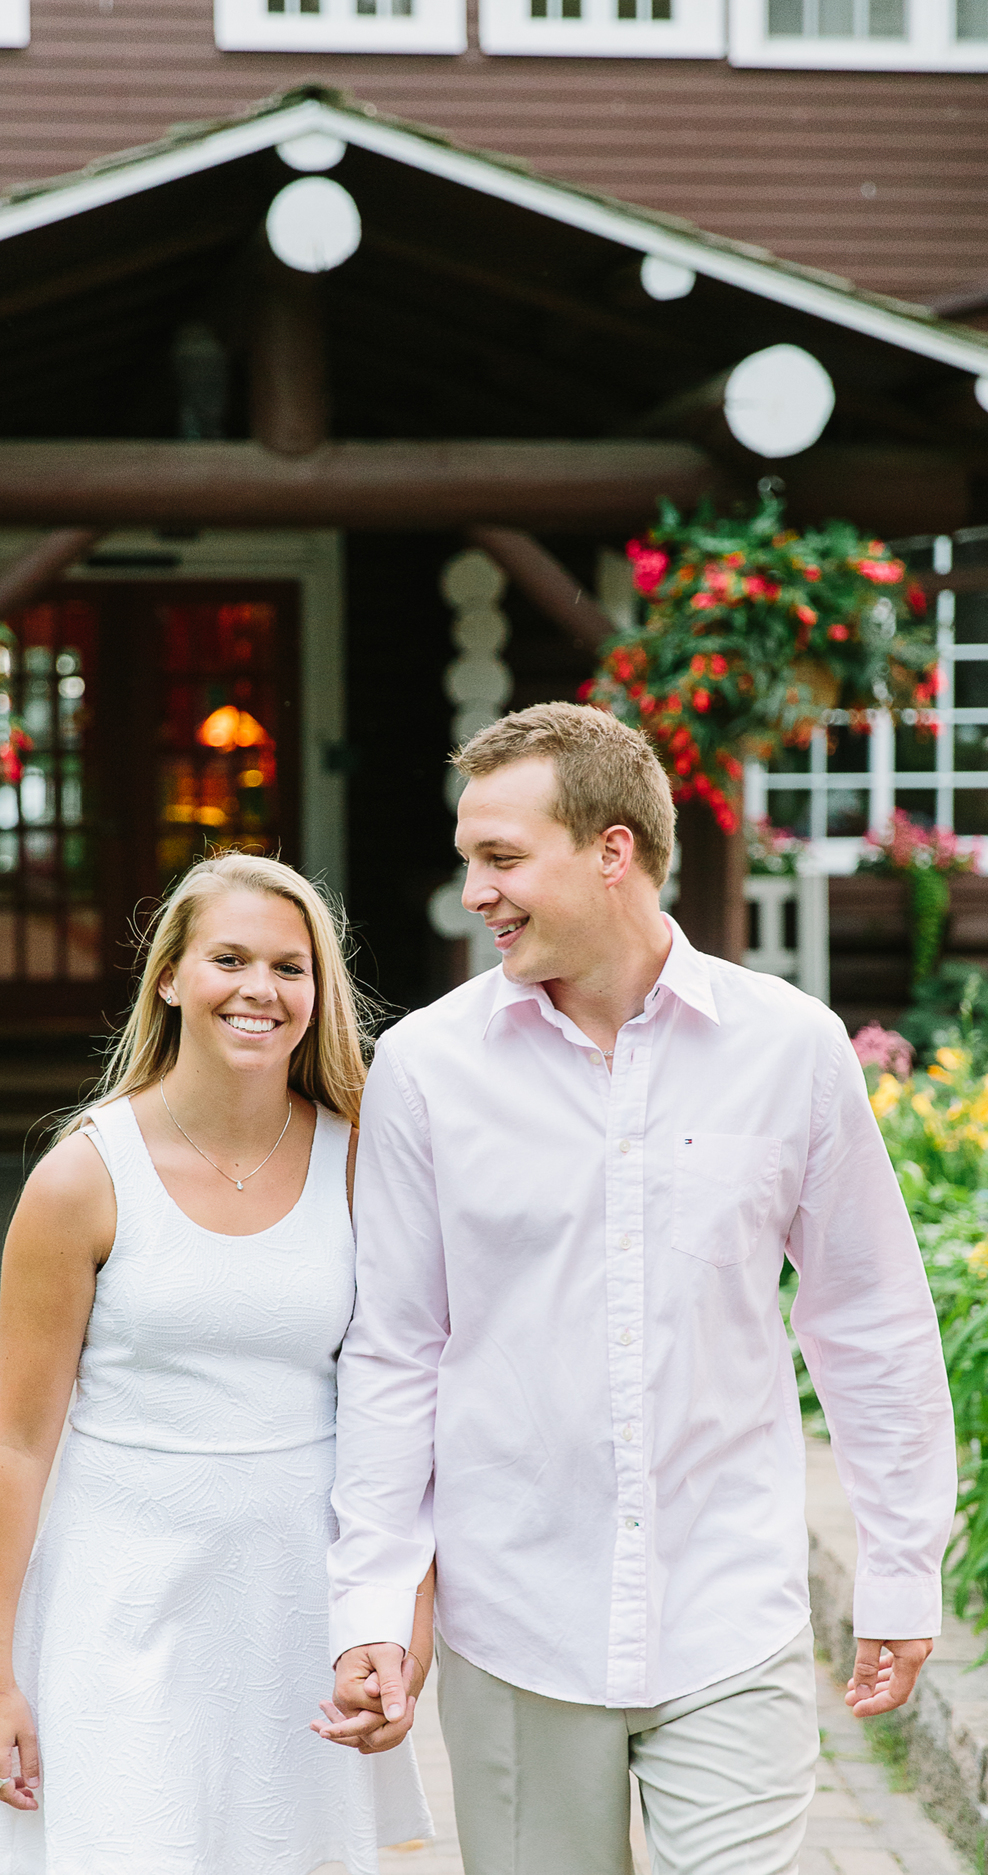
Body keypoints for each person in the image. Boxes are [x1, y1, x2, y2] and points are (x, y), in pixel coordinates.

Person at [326, 702, 956, 1872]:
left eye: (502, 858)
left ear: (612, 851)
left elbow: (869, 1325)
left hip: (726, 1616)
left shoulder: (791, 1050)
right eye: (471, 858)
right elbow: (395, 1349)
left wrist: (901, 1567)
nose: (474, 891)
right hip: (513, 1625)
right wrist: (371, 1600)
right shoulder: (424, 1066)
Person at [0, 851, 433, 1874]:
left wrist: (404, 1622)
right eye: (229, 959)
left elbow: (403, 1408)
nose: (260, 990)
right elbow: (14, 1443)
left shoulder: (365, 1160)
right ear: (169, 976)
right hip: (121, 1597)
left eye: (290, 967)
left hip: (297, 1602)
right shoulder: (82, 1178)